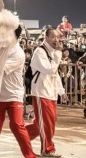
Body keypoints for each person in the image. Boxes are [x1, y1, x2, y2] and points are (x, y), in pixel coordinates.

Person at [0, 25, 36, 158]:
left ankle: (30, 155)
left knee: (16, 125)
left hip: (13, 95)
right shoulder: (0, 47)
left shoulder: (18, 53)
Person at [26, 27, 64, 157]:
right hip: (41, 91)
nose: (56, 40)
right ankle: (47, 150)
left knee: (46, 122)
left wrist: (61, 91)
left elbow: (56, 74)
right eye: (53, 37)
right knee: (46, 123)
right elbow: (50, 70)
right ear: (46, 37)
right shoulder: (39, 51)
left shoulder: (52, 52)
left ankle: (22, 136)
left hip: (51, 92)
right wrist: (58, 54)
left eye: (58, 37)